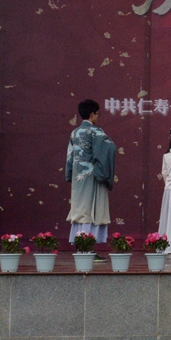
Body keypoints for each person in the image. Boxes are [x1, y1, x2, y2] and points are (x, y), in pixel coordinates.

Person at [65, 98, 116, 259]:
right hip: (92, 177)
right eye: (97, 114)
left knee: (80, 210)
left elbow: (70, 157)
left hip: (78, 178)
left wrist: (70, 173)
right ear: (93, 114)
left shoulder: (74, 133)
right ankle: (87, 248)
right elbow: (110, 148)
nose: (98, 117)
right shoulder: (95, 132)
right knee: (90, 211)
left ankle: (81, 246)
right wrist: (102, 172)